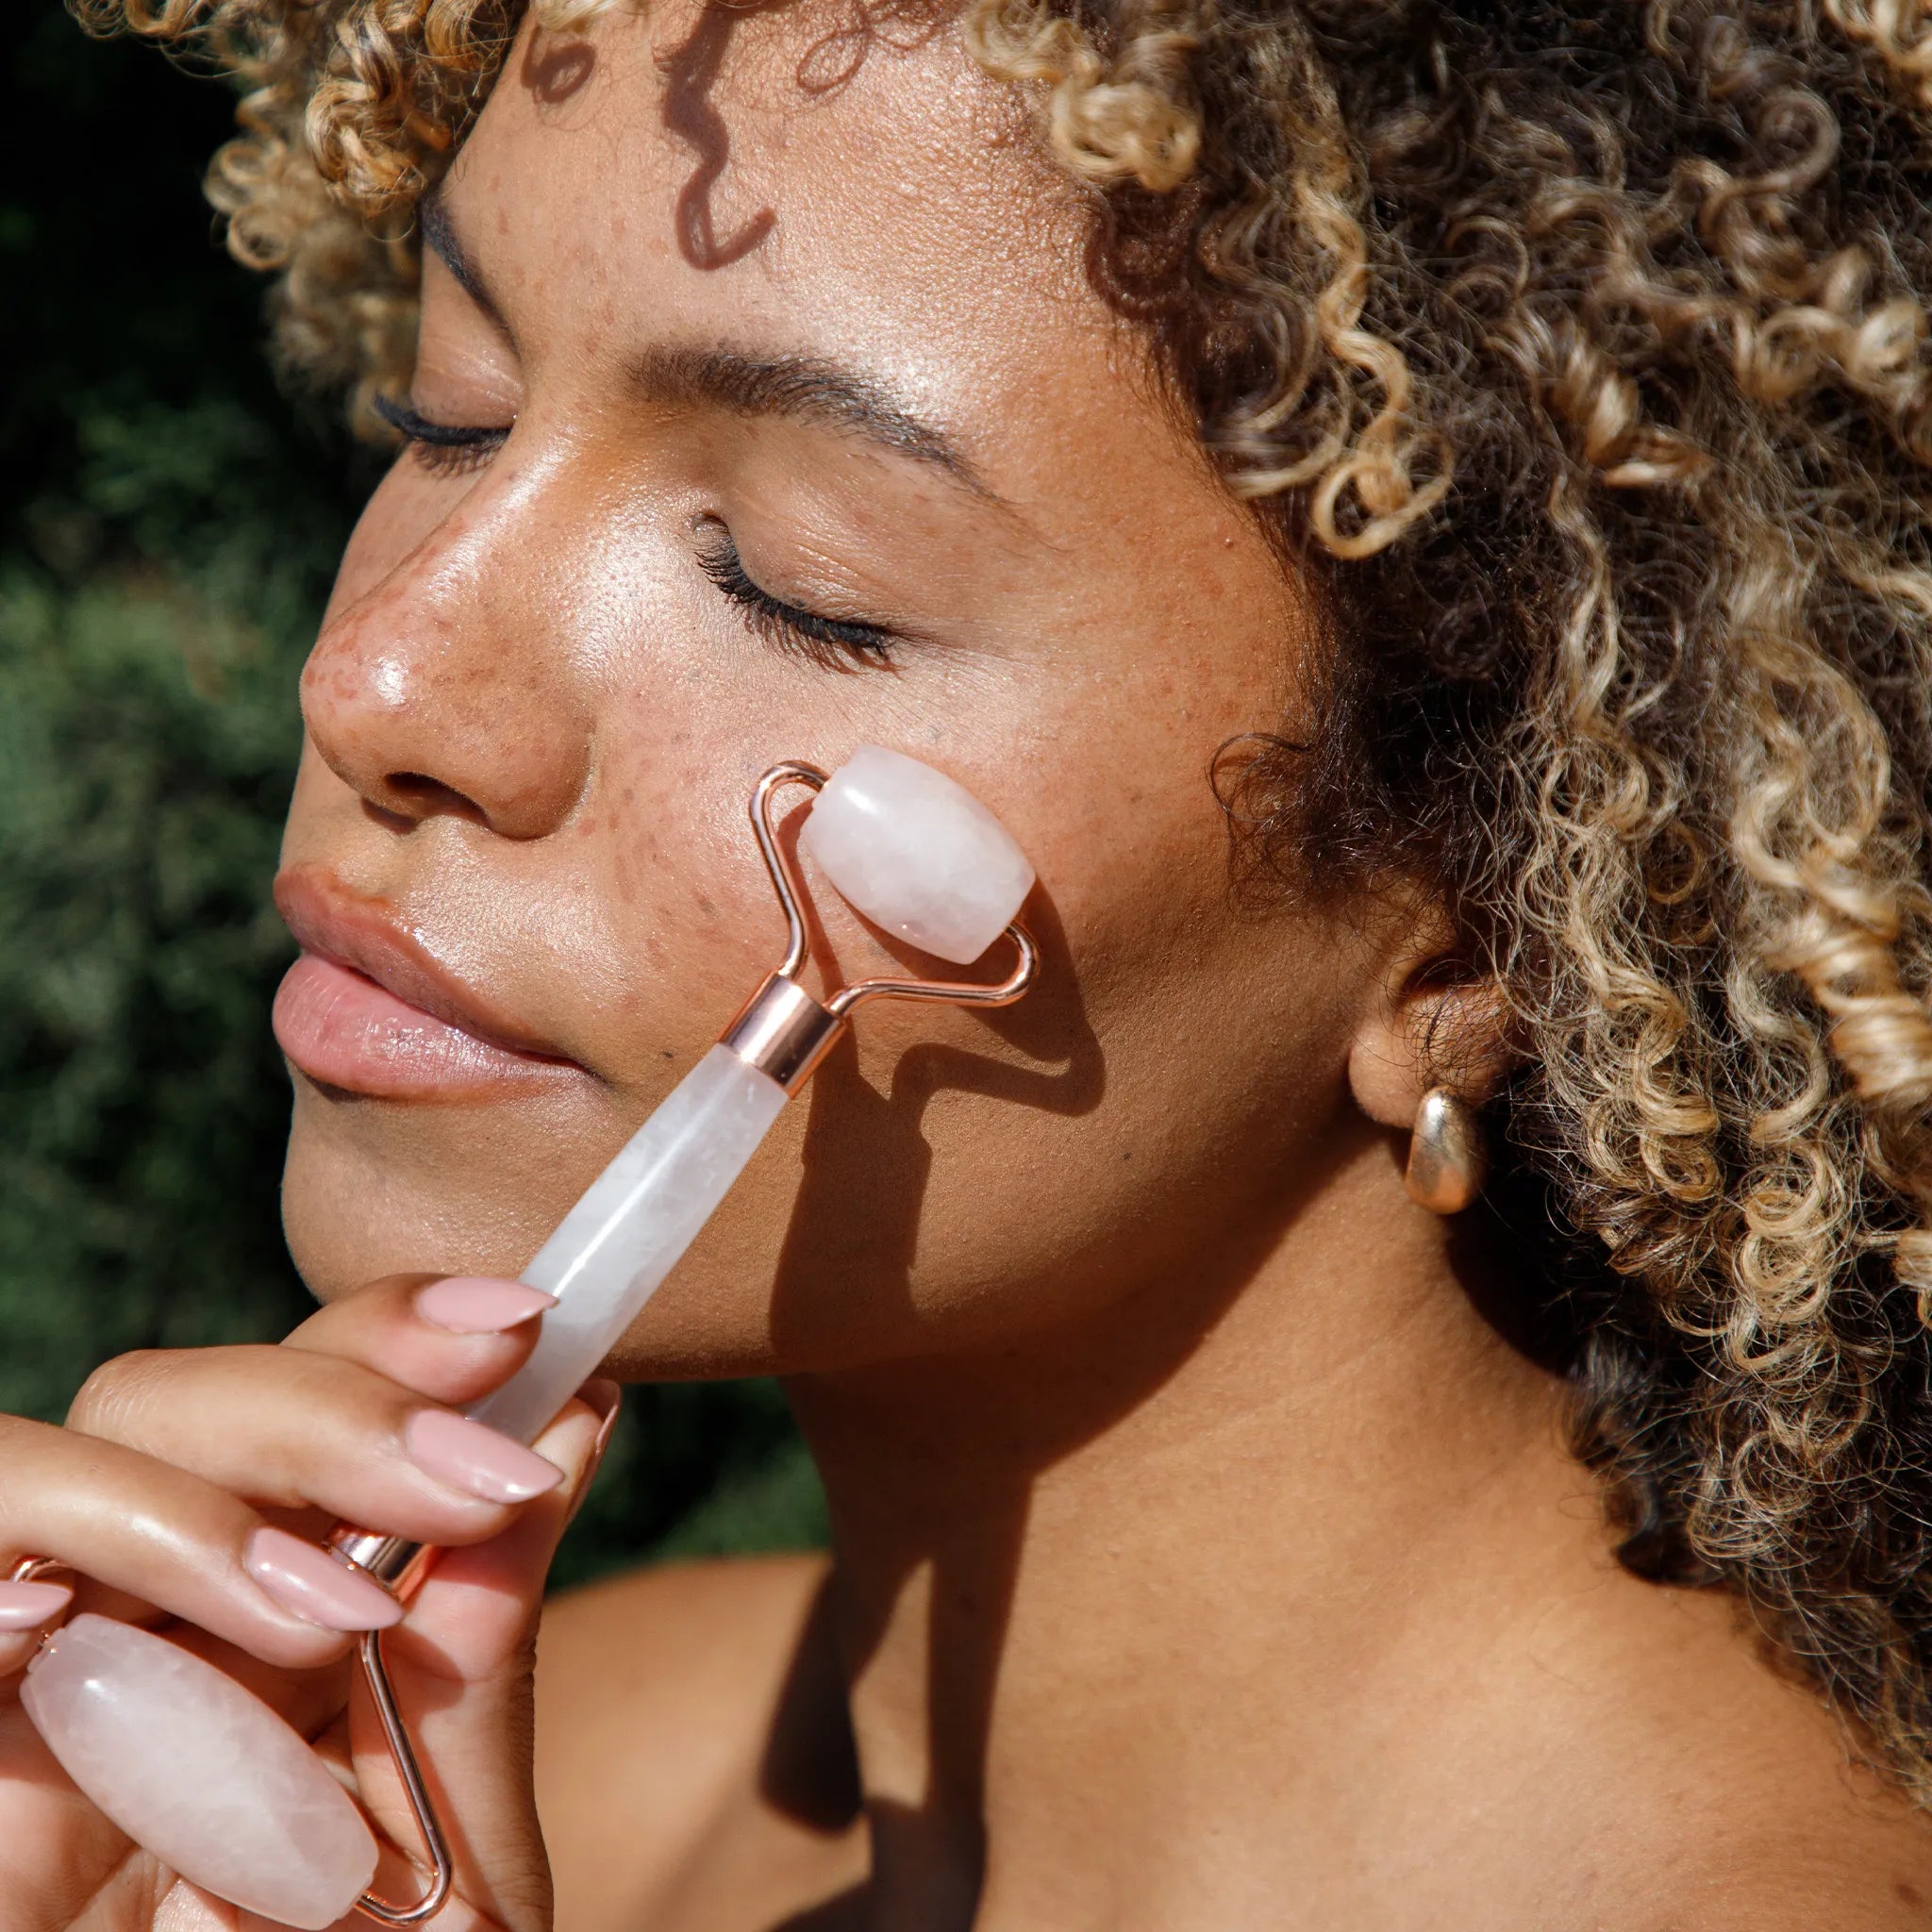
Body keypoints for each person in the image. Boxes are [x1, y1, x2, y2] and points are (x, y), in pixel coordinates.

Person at [8, 0, 1932, 1922]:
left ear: (1492, 897)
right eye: (449, 414)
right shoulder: (493, 1779)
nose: (380, 680)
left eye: (790, 578)